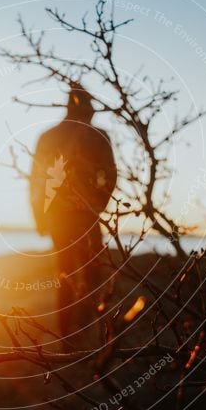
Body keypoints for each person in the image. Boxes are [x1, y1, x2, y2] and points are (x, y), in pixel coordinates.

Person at [30, 82, 117, 338]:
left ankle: (69, 332)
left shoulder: (49, 136)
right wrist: (98, 204)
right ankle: (80, 328)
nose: (92, 114)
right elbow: (111, 175)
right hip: (84, 214)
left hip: (61, 216)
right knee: (88, 271)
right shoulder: (97, 136)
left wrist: (40, 217)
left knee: (66, 273)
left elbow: (36, 181)